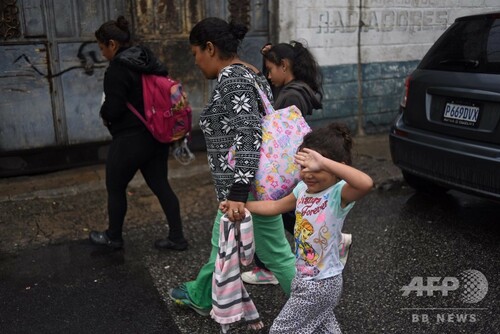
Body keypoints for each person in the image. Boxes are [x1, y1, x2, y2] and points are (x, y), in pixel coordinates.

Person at [168, 17, 296, 317]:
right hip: (242, 187)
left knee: (277, 254)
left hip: (248, 189)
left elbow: (250, 134)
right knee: (220, 243)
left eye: (196, 53)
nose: (196, 62)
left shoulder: (234, 79)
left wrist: (239, 193)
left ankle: (313, 309)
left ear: (209, 48)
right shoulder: (249, 72)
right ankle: (202, 295)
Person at [224, 122, 373, 333]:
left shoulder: (339, 193)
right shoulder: (303, 189)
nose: (308, 174)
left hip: (321, 283)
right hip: (303, 277)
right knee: (323, 327)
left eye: (317, 169)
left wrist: (324, 162)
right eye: (303, 167)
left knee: (281, 330)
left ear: (337, 167)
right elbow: (275, 206)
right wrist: (241, 206)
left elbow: (366, 183)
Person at [242, 41, 352, 285]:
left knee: (285, 210)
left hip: (289, 165)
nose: (268, 76)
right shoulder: (298, 89)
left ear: (284, 65)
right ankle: (335, 241)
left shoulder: (291, 95)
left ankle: (270, 267)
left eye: (270, 69)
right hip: (294, 165)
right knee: (292, 210)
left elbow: (282, 134)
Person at [88, 16, 188, 251]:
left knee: (115, 186)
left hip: (130, 140)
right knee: (161, 185)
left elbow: (114, 108)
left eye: (102, 47)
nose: (102, 53)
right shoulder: (149, 61)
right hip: (156, 135)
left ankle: (113, 237)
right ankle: (177, 238)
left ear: (112, 44)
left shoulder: (118, 69)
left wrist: (104, 113)